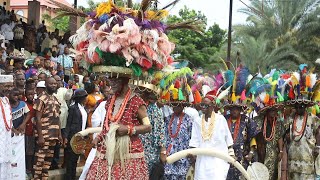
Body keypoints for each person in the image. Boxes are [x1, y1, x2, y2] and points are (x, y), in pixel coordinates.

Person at [86, 76, 151, 179]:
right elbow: (106, 125)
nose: (111, 83)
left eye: (115, 80)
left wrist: (128, 129)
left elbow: (148, 127)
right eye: (110, 80)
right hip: (107, 147)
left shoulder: (136, 101)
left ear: (124, 80)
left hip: (128, 151)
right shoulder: (110, 101)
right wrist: (98, 138)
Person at [189, 91, 234, 180]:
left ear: (212, 106)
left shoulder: (220, 119)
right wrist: (192, 153)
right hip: (202, 161)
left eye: (206, 105)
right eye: (202, 105)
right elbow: (195, 140)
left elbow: (228, 139)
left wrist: (231, 154)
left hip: (218, 161)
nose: (203, 108)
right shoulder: (197, 121)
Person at [33, 77, 62, 179]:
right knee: (39, 163)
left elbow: (58, 118)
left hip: (53, 136)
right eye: (51, 84)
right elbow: (37, 118)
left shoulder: (55, 99)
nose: (53, 85)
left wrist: (60, 135)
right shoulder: (41, 99)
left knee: (47, 163)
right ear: (46, 85)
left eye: (55, 84)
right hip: (44, 136)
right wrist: (40, 136)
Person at [224, 105, 259, 180]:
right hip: (226, 155)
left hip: (242, 156)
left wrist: (251, 153)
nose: (234, 111)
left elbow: (252, 137)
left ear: (240, 110)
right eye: (232, 109)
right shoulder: (224, 120)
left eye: (237, 109)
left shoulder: (246, 120)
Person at [138, 86, 166, 176]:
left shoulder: (155, 111)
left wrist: (162, 151)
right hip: (136, 149)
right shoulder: (136, 106)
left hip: (150, 151)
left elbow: (160, 132)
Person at [164, 102, 193, 179]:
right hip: (169, 155)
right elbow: (164, 136)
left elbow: (192, 138)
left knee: (182, 176)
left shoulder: (189, 120)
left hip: (183, 155)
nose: (174, 107)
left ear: (182, 106)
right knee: (168, 176)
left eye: (176, 105)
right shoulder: (167, 119)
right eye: (172, 105)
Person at [64, 89, 88, 180]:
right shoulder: (73, 108)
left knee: (75, 160)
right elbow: (69, 123)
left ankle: (72, 177)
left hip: (80, 137)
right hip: (73, 136)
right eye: (85, 97)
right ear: (80, 98)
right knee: (70, 160)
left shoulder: (83, 108)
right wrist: (66, 137)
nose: (86, 99)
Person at [9, 88, 30, 180]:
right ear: (9, 95)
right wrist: (12, 129)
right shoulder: (7, 106)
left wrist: (23, 124)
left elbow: (28, 114)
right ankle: (10, 172)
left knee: (22, 151)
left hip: (21, 132)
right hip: (10, 133)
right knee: (10, 153)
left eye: (18, 95)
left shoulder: (22, 104)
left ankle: (21, 171)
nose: (16, 97)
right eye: (14, 95)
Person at [0, 75, 14, 179]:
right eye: (6, 86)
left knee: (5, 163)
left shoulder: (6, 100)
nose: (9, 89)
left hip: (6, 137)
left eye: (10, 86)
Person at [24, 88, 36, 176]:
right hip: (27, 130)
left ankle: (31, 167)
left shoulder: (36, 104)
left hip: (35, 130)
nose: (31, 96)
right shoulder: (25, 105)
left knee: (32, 151)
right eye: (29, 95)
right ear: (26, 96)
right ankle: (28, 169)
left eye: (32, 94)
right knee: (28, 151)